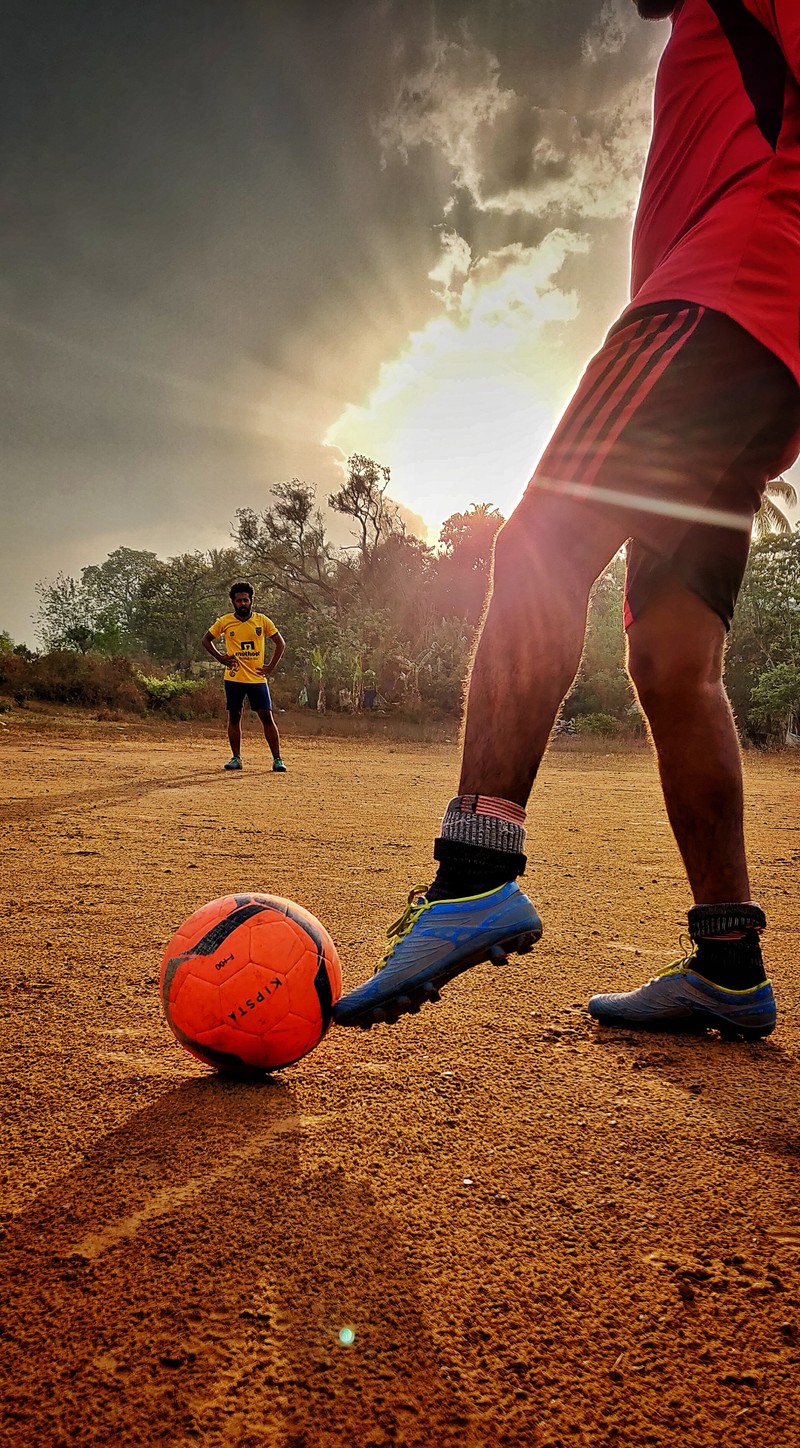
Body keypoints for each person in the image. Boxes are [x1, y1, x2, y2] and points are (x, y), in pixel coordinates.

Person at [334, 0, 800, 1037]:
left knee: (539, 543)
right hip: (760, 351)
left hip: (719, 300)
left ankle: (472, 872)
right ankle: (727, 959)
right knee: (673, 666)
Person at [202, 582, 287, 773]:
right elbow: (206, 639)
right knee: (235, 716)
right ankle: (236, 758)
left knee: (266, 716)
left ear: (251, 601)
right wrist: (221, 658)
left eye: (246, 600)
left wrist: (271, 667)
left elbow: (280, 643)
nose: (242, 603)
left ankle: (278, 759)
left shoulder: (262, 621)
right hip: (234, 678)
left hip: (257, 678)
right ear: (233, 602)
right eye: (239, 600)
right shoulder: (225, 621)